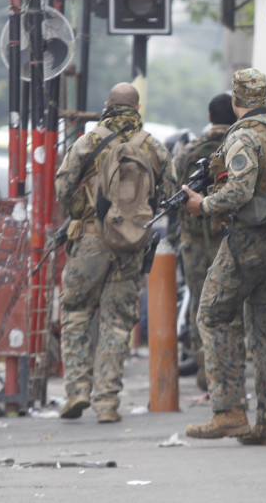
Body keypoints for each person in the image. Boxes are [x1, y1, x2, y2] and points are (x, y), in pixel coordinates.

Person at [182, 68, 266, 446]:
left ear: (236, 102)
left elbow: (239, 192)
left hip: (249, 240)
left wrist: (203, 204)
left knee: (212, 315)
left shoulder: (244, 137)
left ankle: (229, 410)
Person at [54, 82, 177, 423]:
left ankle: (77, 390)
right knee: (117, 322)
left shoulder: (88, 141)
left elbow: (62, 188)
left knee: (77, 313)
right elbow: (168, 195)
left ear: (107, 105)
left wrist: (86, 207)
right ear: (137, 110)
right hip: (131, 243)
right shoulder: (152, 146)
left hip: (90, 240)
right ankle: (107, 402)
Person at [171, 92, 243, 392]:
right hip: (232, 240)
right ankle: (231, 373)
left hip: (195, 242)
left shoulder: (188, 151)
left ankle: (206, 371)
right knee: (232, 307)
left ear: (210, 117)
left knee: (201, 305)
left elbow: (175, 190)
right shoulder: (240, 147)